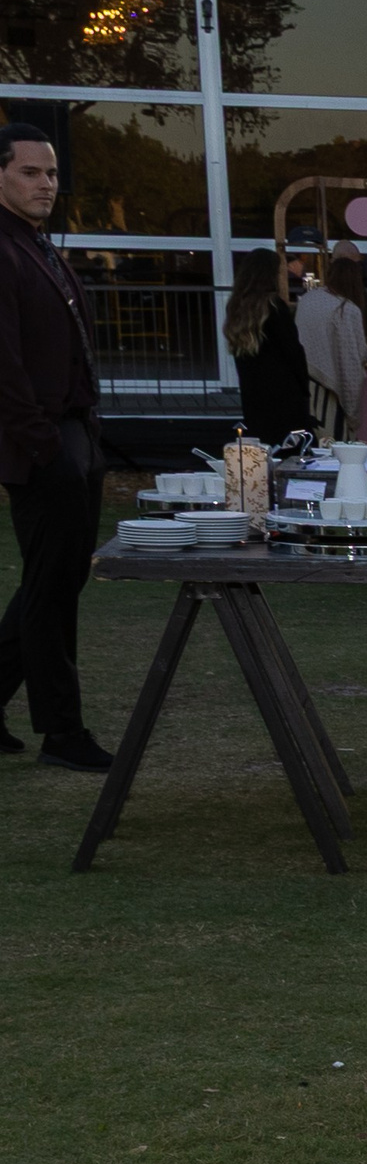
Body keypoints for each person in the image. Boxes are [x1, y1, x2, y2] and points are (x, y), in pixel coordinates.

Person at [0, 124, 111, 770]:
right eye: (30, 173)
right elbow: (5, 370)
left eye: (51, 173)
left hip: (73, 437)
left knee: (56, 582)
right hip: (42, 445)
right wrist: (46, 447)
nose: (46, 184)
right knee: (50, 590)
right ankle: (62, 733)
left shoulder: (36, 245)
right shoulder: (5, 249)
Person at [227, 248, 310, 444]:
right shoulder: (274, 306)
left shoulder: (237, 306)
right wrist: (303, 386)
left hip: (253, 390)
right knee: (289, 445)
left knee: (262, 443)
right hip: (283, 390)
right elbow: (292, 349)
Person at [295, 242, 367, 438]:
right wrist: (353, 416)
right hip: (330, 399)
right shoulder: (346, 310)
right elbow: (351, 366)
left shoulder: (309, 300)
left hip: (303, 392)